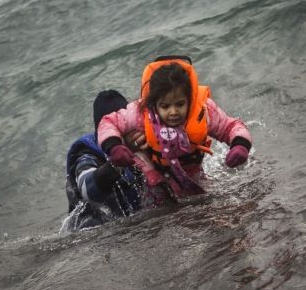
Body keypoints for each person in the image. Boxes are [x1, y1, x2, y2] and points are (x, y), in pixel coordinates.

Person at [97, 55, 252, 199]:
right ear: (153, 103)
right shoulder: (140, 113)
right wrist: (114, 147)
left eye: (180, 104)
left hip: (195, 179)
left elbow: (232, 126)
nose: (173, 112)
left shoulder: (204, 111)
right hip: (155, 186)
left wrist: (240, 146)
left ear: (190, 99)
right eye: (165, 106)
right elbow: (108, 122)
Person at [64, 90, 151, 230]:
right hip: (89, 236)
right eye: (118, 128)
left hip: (131, 228)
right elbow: (87, 189)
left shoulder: (139, 142)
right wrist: (118, 161)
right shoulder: (86, 154)